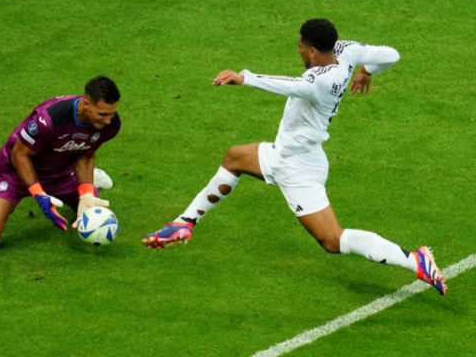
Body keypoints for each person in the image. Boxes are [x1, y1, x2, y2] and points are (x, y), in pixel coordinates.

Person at [142, 18, 446, 296]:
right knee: (235, 157)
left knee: (332, 241)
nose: (297, 50)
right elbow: (391, 55)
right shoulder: (347, 52)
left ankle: (413, 260)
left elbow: (289, 85)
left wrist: (244, 78)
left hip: (297, 167)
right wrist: (367, 71)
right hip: (289, 153)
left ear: (312, 50)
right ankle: (185, 222)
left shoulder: (320, 81)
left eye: (299, 45)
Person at [0, 76, 121, 251]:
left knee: (97, 216)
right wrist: (38, 194)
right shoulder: (49, 118)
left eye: (112, 113)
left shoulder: (110, 125)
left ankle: (89, 180)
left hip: (60, 174)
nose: (108, 120)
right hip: (14, 174)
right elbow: (19, 155)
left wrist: (86, 192)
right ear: (86, 104)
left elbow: (85, 153)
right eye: (103, 114)